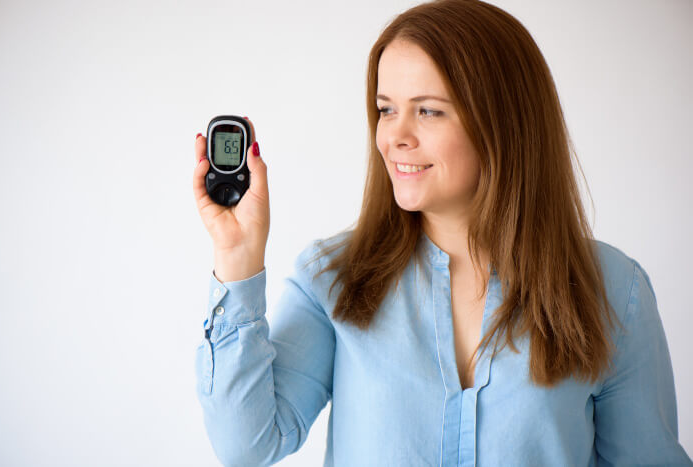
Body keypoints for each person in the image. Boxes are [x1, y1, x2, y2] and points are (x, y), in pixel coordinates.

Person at [192, 0, 692, 465]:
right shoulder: (332, 279)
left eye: (428, 110)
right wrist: (236, 256)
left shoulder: (614, 290)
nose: (395, 136)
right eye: (386, 108)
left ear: (503, 123)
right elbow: (248, 444)